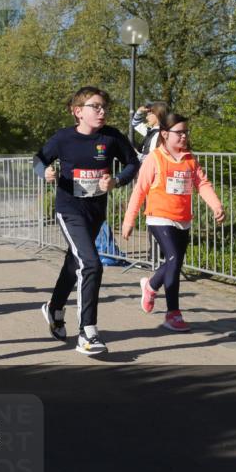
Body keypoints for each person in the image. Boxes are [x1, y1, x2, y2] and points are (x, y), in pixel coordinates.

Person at [34, 86, 139, 355]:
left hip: (95, 212)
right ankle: (88, 332)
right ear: (78, 111)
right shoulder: (63, 138)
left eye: (104, 107)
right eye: (96, 106)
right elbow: (39, 159)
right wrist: (45, 172)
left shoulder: (111, 137)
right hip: (69, 209)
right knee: (91, 263)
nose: (102, 111)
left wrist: (116, 180)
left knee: (75, 262)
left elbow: (132, 163)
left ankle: (55, 308)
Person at [121, 113, 225, 331]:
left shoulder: (189, 159)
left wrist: (216, 206)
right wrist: (129, 220)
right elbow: (139, 190)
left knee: (174, 262)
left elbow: (202, 184)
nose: (184, 136)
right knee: (174, 259)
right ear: (165, 134)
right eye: (179, 133)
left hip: (183, 219)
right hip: (159, 217)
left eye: (186, 132)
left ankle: (151, 286)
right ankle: (173, 313)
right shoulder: (155, 158)